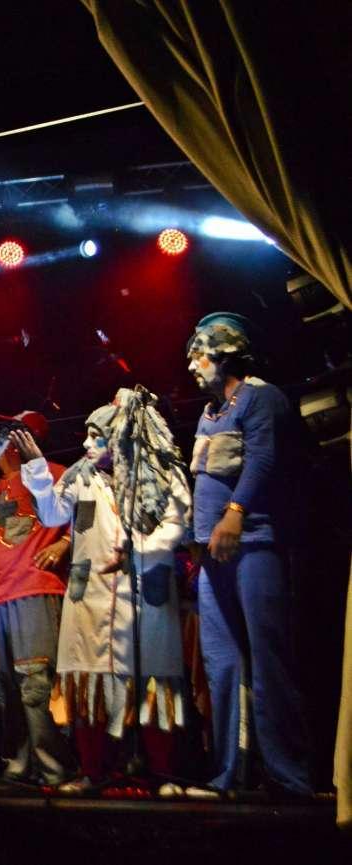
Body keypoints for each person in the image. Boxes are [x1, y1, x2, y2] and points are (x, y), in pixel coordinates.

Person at [11, 388, 190, 794]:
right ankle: (91, 772)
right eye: (87, 436)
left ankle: (161, 774)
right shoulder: (81, 475)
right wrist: (37, 467)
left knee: (151, 685)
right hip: (91, 596)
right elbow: (52, 513)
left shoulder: (160, 470)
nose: (87, 445)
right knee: (88, 683)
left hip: (144, 596)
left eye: (98, 437)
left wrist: (140, 551)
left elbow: (178, 521)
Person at [184, 312, 311, 797]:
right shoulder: (210, 413)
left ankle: (288, 776)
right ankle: (230, 772)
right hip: (212, 554)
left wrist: (235, 513)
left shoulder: (261, 397)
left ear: (224, 352)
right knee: (221, 660)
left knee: (268, 657)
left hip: (254, 543)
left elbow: (263, 458)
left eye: (199, 355)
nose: (192, 365)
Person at [0, 412, 77, 786]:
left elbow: (87, 514)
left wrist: (65, 543)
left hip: (34, 590)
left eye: (5, 435)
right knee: (2, 684)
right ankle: (19, 765)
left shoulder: (54, 472)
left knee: (36, 682)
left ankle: (54, 768)